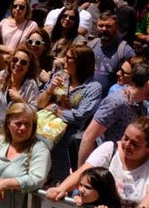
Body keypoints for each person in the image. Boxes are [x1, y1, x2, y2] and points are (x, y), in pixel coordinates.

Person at [39, 43, 103, 183]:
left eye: (69, 58)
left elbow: (79, 117)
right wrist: (50, 89)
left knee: (62, 181)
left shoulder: (93, 88)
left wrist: (55, 109)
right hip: (46, 137)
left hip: (68, 144)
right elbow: (40, 104)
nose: (64, 61)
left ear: (81, 63)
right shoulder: (60, 77)